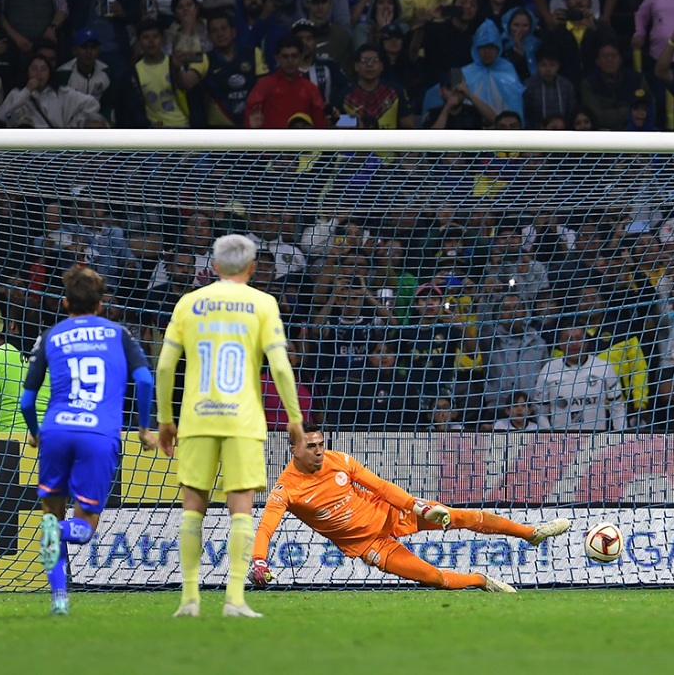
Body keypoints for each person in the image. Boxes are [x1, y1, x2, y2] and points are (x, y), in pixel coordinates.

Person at [155, 234, 306, 619]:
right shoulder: (263, 304)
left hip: (197, 417)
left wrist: (166, 420)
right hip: (242, 420)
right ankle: (235, 600)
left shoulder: (189, 303)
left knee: (193, 510)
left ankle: (189, 600)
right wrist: (294, 419)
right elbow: (281, 366)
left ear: (215, 266)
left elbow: (165, 366)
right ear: (253, 267)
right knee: (241, 510)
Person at [249, 423, 570, 592]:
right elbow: (266, 527)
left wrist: (418, 507)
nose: (319, 451)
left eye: (322, 444)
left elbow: (381, 487)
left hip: (391, 512)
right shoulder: (286, 490)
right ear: (294, 450)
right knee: (434, 578)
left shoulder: (339, 460)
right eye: (311, 446)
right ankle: (480, 581)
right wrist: (259, 562)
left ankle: (531, 534)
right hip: (370, 545)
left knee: (463, 517)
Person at [20, 266, 157, 616]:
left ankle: (60, 599)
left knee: (51, 514)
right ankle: (59, 531)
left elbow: (26, 400)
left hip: (56, 431)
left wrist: (35, 432)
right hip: (98, 434)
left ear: (65, 302)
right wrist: (143, 428)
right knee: (81, 529)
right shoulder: (119, 334)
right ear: (100, 305)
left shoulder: (50, 336)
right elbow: (144, 381)